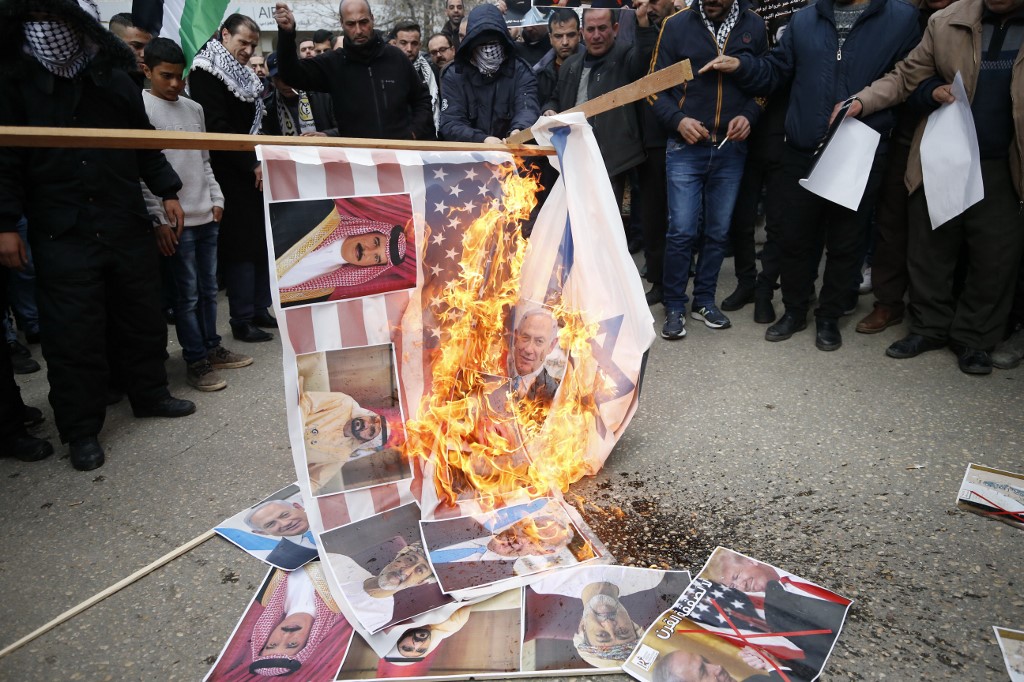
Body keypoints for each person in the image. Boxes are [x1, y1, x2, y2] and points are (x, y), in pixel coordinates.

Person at [0, 0, 196, 472]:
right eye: (40, 25)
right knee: (74, 335)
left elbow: (142, 142)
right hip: (61, 228)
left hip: (123, 219)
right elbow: (5, 161)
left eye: (60, 25)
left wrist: (168, 190)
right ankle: (81, 430)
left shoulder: (113, 78)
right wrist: (6, 223)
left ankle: (150, 394)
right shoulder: (17, 82)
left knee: (142, 316)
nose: (52, 35)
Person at [701, 0, 921, 352]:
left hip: (858, 149)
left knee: (846, 241)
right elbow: (776, 71)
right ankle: (795, 310)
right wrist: (741, 64)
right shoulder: (805, 20)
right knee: (794, 238)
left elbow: (909, 79)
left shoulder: (901, 18)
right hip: (801, 147)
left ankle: (829, 316)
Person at [839, 0, 1024, 375]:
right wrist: (862, 100)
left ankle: (974, 339)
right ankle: (928, 327)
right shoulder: (947, 21)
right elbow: (907, 77)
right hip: (944, 153)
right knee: (929, 248)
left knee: (994, 258)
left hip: (1006, 165)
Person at [140, 38, 253, 392]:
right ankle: (195, 360)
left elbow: (204, 160)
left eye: (180, 76)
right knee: (185, 295)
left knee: (207, 291)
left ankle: (211, 347)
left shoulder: (194, 109)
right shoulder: (140, 108)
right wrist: (158, 217)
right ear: (147, 71)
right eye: (166, 76)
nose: (175, 84)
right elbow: (143, 170)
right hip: (176, 220)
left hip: (207, 213)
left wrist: (216, 197)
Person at [650, 0, 767, 339]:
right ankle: (674, 305)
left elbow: (764, 85)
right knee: (682, 231)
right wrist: (679, 120)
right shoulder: (676, 25)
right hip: (685, 146)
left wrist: (750, 115)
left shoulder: (754, 26)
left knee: (717, 232)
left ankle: (704, 301)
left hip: (731, 148)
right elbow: (653, 89)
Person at [189, 14, 278, 344]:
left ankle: (259, 307)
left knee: (260, 241)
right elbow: (217, 127)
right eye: (243, 42)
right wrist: (251, 162)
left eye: (253, 45)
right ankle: (241, 318)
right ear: (225, 35)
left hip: (253, 167)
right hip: (229, 169)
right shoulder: (206, 69)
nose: (248, 50)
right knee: (241, 245)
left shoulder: (243, 73)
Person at [543, 6, 658, 214]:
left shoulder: (626, 56)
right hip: (575, 156)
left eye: (602, 28)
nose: (596, 35)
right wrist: (550, 110)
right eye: (590, 29)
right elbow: (555, 98)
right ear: (582, 32)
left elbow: (644, 59)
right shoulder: (571, 65)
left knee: (605, 221)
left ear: (615, 28)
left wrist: (643, 23)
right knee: (578, 219)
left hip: (613, 159)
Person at [274, 1, 435, 140]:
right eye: (351, 24)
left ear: (372, 19)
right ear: (342, 23)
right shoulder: (333, 63)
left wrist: (414, 132)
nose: (358, 30)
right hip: (356, 162)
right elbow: (291, 75)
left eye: (363, 22)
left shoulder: (396, 58)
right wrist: (287, 34)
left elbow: (422, 100)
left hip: (398, 157)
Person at [439, 3, 540, 143]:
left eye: (494, 44)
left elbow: (527, 109)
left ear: (504, 42)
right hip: (469, 157)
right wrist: (483, 140)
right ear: (471, 45)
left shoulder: (521, 72)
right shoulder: (455, 74)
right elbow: (451, 122)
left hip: (513, 153)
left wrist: (519, 131)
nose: (489, 51)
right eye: (482, 45)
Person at [274, 202, 409, 304]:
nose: (367, 251)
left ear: (371, 267)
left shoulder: (321, 293)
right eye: (375, 242)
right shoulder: (320, 210)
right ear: (368, 230)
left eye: (376, 258)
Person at [248, 563, 344, 677]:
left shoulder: (263, 593)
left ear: (266, 638)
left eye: (272, 644)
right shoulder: (343, 603)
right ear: (308, 644)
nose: (286, 635)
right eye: (292, 644)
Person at [299, 379, 391, 493]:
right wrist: (297, 430)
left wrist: (301, 493)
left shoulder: (341, 454)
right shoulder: (344, 402)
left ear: (363, 442)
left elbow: (314, 482)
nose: (367, 423)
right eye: (371, 419)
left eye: (371, 431)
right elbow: (307, 400)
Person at [261, 52, 339, 137]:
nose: (286, 82)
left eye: (290, 75)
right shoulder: (267, 108)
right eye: (279, 77)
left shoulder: (324, 95)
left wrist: (325, 135)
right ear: (272, 81)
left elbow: (347, 128)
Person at [241, 499, 319, 569]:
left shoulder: (329, 512)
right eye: (271, 524)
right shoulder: (276, 561)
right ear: (261, 532)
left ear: (298, 507)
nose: (285, 523)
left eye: (285, 515)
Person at [393, 20, 440, 132]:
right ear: (394, 43)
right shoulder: (385, 70)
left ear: (420, 45)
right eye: (403, 43)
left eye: (414, 43)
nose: (409, 49)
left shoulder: (431, 71)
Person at [533, 8, 583, 109]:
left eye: (570, 35)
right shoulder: (539, 73)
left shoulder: (592, 65)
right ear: (550, 38)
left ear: (579, 35)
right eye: (558, 36)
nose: (565, 42)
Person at [509, 308, 561, 404]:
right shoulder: (494, 372)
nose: (528, 349)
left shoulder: (555, 396)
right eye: (525, 338)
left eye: (539, 341)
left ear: (551, 346)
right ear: (516, 338)